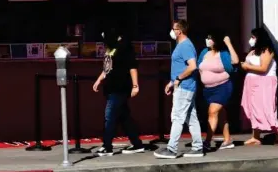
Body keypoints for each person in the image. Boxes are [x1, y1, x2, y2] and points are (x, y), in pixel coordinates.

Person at [155, 19, 204, 159]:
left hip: (184, 86)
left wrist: (178, 79)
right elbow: (181, 66)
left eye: (174, 29)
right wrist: (171, 83)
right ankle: (198, 147)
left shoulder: (185, 46)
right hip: (185, 86)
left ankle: (171, 149)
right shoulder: (182, 45)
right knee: (191, 118)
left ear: (179, 31)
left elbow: (192, 66)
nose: (172, 31)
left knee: (177, 116)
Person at [92, 29, 144, 156]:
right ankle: (137, 144)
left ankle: (107, 146)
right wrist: (98, 80)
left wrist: (135, 85)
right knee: (124, 117)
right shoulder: (110, 49)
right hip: (110, 88)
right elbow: (107, 69)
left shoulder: (125, 48)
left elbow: (132, 67)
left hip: (120, 88)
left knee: (109, 117)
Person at [240, 27, 278, 145]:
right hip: (251, 84)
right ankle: (256, 136)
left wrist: (246, 67)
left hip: (264, 83)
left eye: (253, 37)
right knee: (253, 109)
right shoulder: (252, 51)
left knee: (266, 108)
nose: (251, 39)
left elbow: (263, 68)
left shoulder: (267, 50)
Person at [197, 32, 240, 151]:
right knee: (220, 114)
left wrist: (228, 42)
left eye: (210, 38)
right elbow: (198, 66)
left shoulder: (223, 53)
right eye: (207, 37)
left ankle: (207, 141)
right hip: (208, 89)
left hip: (222, 87)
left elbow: (235, 61)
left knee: (212, 112)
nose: (208, 40)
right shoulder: (204, 52)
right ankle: (227, 140)